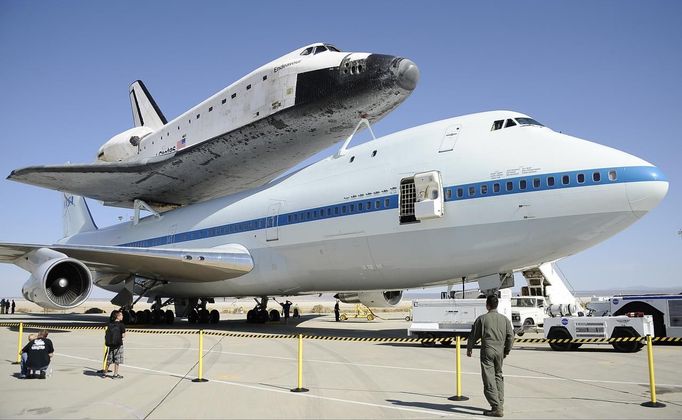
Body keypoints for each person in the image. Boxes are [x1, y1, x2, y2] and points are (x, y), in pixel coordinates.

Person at [466, 295, 514, 417]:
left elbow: (473, 335)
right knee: (498, 376)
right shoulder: (505, 320)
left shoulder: (482, 319)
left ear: (487, 305)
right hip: (500, 351)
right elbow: (510, 337)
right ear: (496, 305)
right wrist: (506, 350)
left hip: (487, 350)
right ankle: (500, 403)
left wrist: (469, 348)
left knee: (489, 379)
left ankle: (496, 407)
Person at [104, 310, 126, 379]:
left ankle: (104, 373)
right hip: (118, 345)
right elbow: (123, 335)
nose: (122, 316)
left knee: (109, 359)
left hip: (111, 344)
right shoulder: (121, 325)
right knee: (117, 360)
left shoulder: (110, 324)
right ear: (118, 316)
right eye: (121, 315)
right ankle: (115, 375)